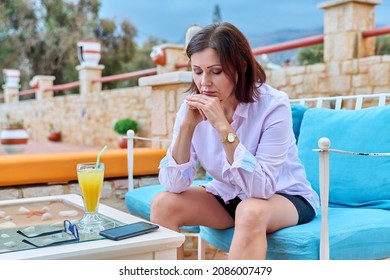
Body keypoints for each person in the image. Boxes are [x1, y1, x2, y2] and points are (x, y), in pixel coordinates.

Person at [150, 22, 319, 260]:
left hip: (284, 196)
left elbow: (261, 189)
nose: (204, 82)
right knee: (163, 204)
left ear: (240, 66)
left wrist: (222, 127)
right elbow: (173, 184)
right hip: (229, 195)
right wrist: (187, 127)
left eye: (215, 71)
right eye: (197, 71)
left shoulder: (273, 105)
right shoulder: (191, 106)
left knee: (249, 210)